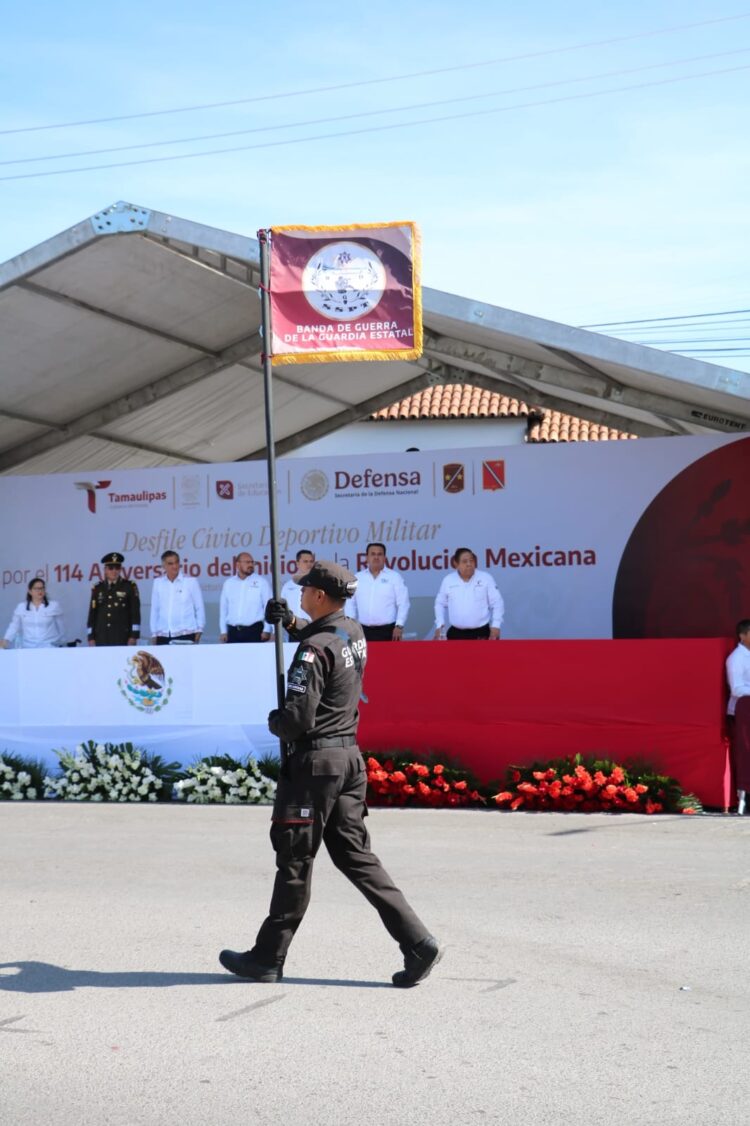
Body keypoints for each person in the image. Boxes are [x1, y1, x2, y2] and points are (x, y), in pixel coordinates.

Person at [219, 560, 442, 988]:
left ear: (320, 595)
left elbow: (297, 720)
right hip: (348, 761)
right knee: (357, 858)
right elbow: (327, 637)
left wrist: (275, 720)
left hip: (313, 767)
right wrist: (293, 623)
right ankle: (417, 942)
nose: (300, 593)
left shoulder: (311, 651)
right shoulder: (352, 631)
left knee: (295, 860)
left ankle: (268, 957)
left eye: (305, 591)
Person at [434, 547, 503, 640]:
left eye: (471, 560)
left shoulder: (486, 578)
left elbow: (497, 603)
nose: (469, 564)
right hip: (456, 633)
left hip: (481, 633)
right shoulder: (448, 580)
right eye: (464, 561)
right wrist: (440, 625)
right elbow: (440, 604)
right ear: (456, 564)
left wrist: (496, 625)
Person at [347, 542, 410, 641]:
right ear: (367, 557)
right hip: (362, 631)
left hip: (388, 631)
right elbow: (350, 604)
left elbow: (403, 603)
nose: (376, 557)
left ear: (384, 558)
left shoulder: (394, 577)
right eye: (373, 554)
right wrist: (350, 626)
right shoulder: (357, 578)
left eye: (379, 554)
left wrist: (399, 626)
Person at [87, 551, 141, 646]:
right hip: (101, 637)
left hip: (122, 637)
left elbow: (135, 613)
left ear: (120, 570)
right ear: (105, 570)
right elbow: (92, 614)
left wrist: (134, 635)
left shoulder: (129, 586)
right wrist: (90, 637)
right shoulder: (97, 588)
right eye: (111, 568)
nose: (114, 571)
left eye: (117, 568)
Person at [150, 551, 205, 644]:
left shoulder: (190, 582)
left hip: (186, 633)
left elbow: (199, 607)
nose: (175, 566)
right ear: (163, 566)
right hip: (163, 634)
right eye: (170, 563)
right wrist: (154, 633)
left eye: (176, 562)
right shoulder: (158, 583)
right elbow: (155, 609)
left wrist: (200, 629)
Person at [219, 553, 272, 643]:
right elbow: (223, 609)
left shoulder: (261, 582)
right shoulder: (228, 583)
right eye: (247, 562)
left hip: (254, 630)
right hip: (232, 631)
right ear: (238, 564)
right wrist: (223, 631)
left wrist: (267, 630)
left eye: (252, 562)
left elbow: (269, 607)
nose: (251, 565)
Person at [726, 618, 750, 816]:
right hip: (743, 713)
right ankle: (745, 799)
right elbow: (736, 688)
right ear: (742, 635)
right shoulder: (736, 658)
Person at [1, 578, 65, 648]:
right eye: (36, 589)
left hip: (49, 646)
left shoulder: (54, 605)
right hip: (28, 647)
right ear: (30, 591)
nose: (40, 591)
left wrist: (62, 644)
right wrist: (6, 640)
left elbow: (61, 627)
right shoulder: (21, 607)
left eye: (42, 588)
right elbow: (14, 626)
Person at [279, 549, 315, 635]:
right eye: (305, 561)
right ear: (297, 563)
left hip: (313, 627)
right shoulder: (288, 586)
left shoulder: (319, 583)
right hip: (293, 627)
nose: (309, 564)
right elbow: (281, 608)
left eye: (311, 561)